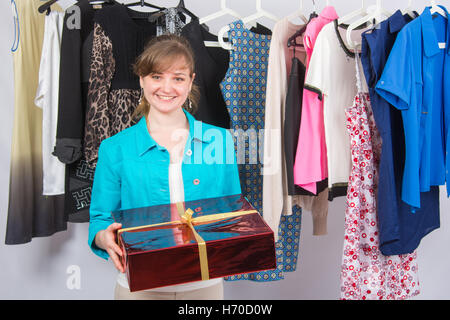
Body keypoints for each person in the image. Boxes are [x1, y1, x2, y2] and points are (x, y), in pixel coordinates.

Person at [88, 34, 242, 300]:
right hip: (138, 287)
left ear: (191, 81)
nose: (167, 88)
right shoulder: (115, 149)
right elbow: (100, 219)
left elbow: (232, 212)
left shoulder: (220, 141)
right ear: (142, 80)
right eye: (157, 76)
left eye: (178, 78)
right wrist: (105, 238)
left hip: (204, 287)